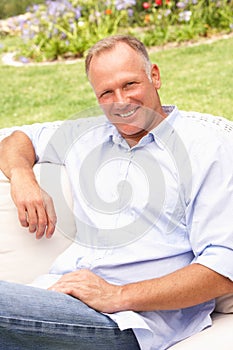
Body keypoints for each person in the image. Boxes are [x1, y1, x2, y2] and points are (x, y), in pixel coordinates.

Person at [0, 35, 233, 350]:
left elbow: (224, 266)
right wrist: (21, 175)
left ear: (155, 76)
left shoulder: (207, 149)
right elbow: (17, 139)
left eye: (130, 85)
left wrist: (117, 296)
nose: (120, 101)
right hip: (54, 297)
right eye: (106, 92)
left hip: (129, 320)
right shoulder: (87, 135)